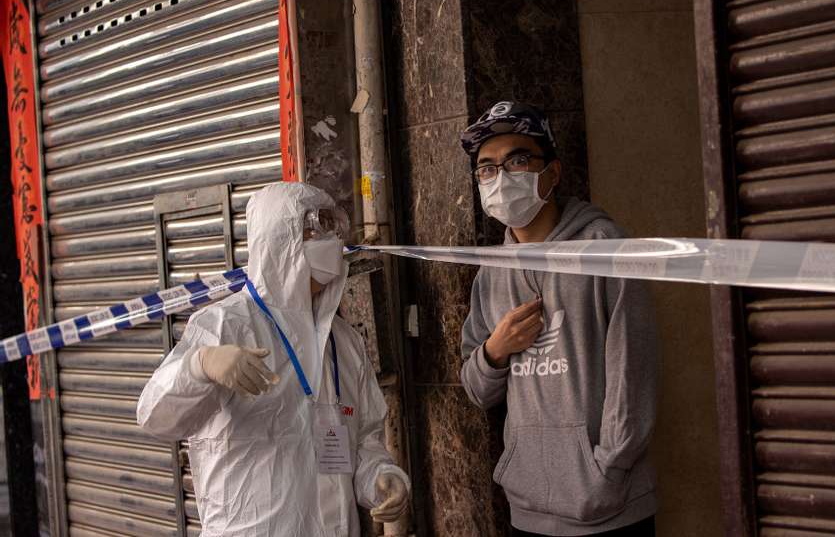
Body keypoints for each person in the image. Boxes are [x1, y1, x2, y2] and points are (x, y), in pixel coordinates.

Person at [137, 182, 409, 537]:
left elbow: (363, 440)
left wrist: (381, 477)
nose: (330, 241)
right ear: (279, 239)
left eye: (332, 229)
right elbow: (155, 416)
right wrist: (199, 366)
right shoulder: (226, 324)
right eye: (314, 230)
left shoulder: (343, 342)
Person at [459, 101, 658, 536]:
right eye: (486, 168)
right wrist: (495, 350)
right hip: (528, 509)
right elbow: (475, 389)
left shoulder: (605, 247)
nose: (500, 177)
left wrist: (609, 468)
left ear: (552, 172)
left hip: (612, 508)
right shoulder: (490, 271)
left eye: (517, 160)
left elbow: (633, 369)